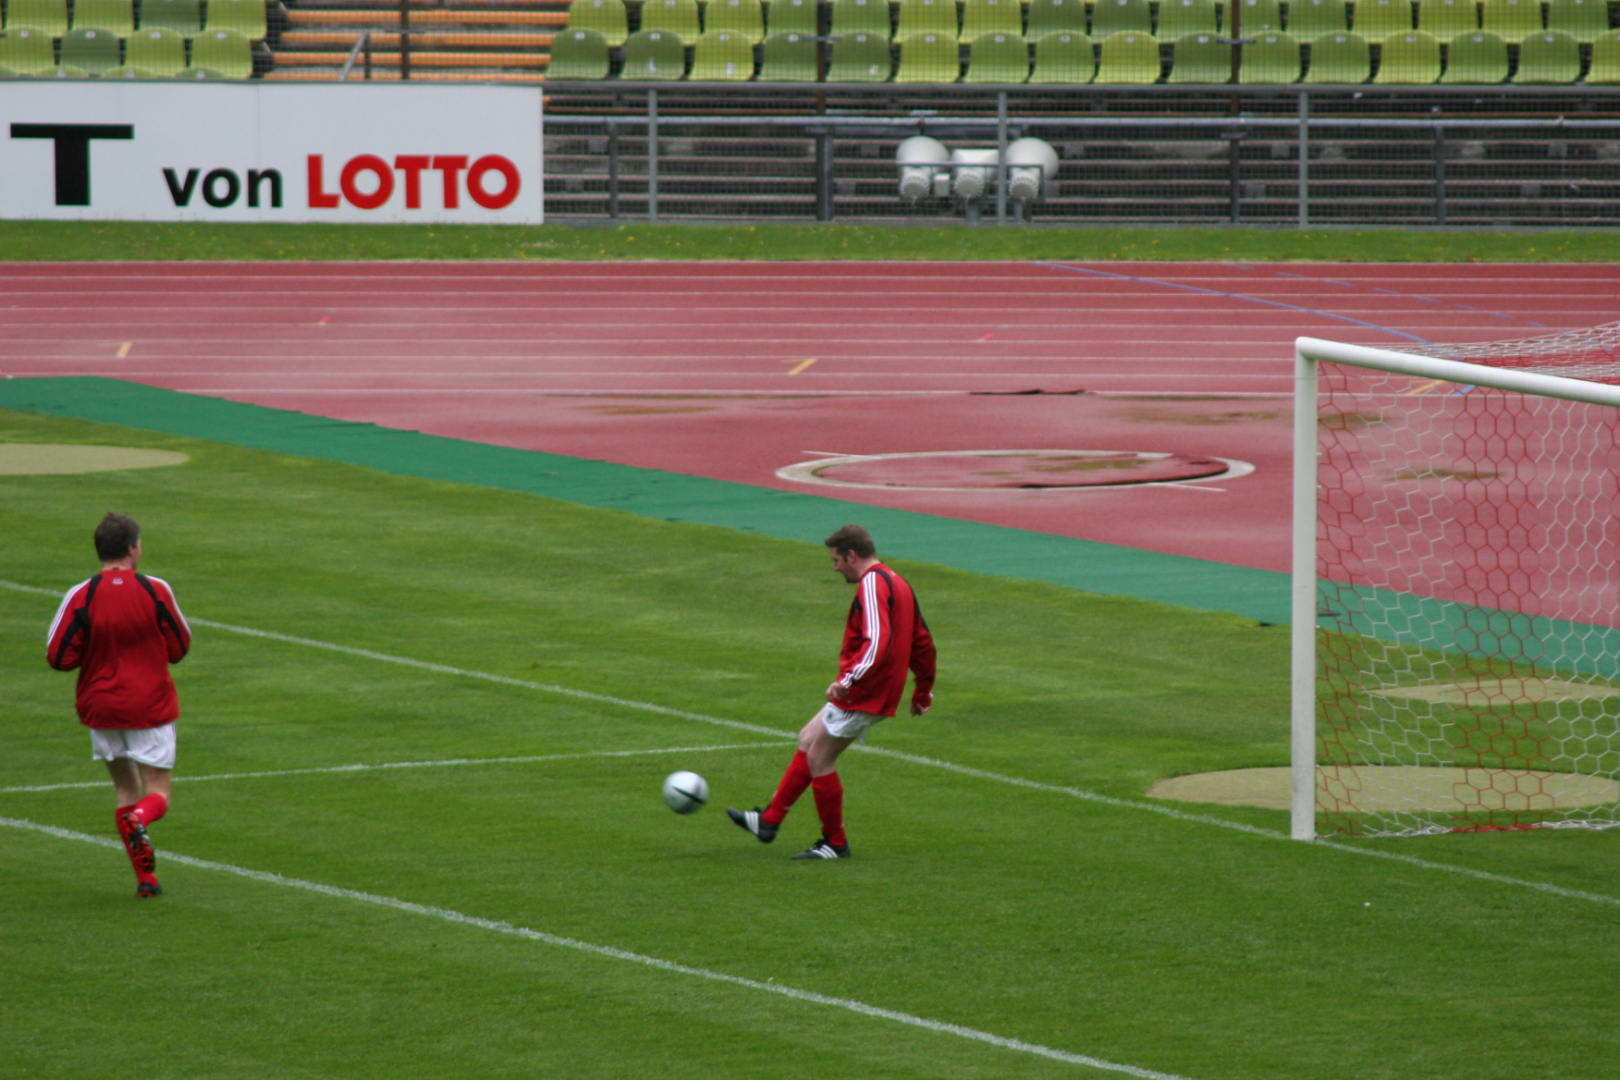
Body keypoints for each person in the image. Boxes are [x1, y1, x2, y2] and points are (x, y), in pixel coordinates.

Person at [729, 524, 935, 860]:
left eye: (836, 560)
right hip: (874, 688)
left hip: (866, 690)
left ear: (852, 555)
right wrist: (923, 691)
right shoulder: (898, 582)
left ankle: (835, 842)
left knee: (819, 758)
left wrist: (849, 680)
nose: (835, 568)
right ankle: (769, 820)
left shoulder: (872, 584)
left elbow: (878, 641)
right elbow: (922, 641)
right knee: (808, 738)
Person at [46, 513, 191, 898]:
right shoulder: (155, 589)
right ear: (132, 548)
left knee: (126, 788)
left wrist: (96, 652)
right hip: (149, 704)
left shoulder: (81, 595)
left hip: (101, 706)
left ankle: (146, 881)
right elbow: (179, 646)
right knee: (157, 789)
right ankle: (140, 819)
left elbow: (58, 656)